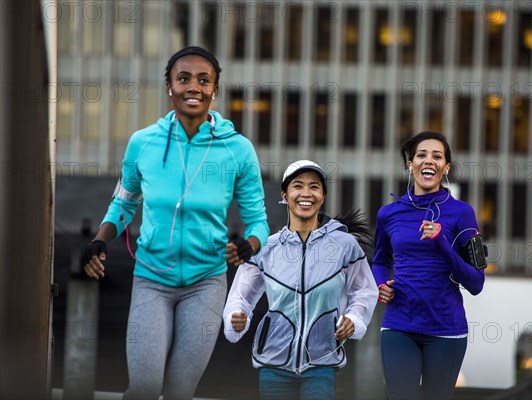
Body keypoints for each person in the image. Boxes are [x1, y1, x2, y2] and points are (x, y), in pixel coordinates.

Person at [81, 46, 269, 399]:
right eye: (183, 79)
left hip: (207, 283)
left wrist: (249, 245)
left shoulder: (238, 150)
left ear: (215, 89)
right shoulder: (144, 143)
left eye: (203, 80)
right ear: (169, 87)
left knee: (181, 392)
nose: (193, 87)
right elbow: (124, 203)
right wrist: (100, 241)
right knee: (145, 388)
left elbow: (258, 220)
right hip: (152, 279)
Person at [223, 160, 378, 400]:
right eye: (298, 186)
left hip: (322, 362)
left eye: (314, 187)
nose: (306, 193)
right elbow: (241, 296)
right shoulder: (266, 247)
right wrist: (236, 316)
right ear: (285, 195)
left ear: (323, 196)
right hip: (273, 362)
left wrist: (354, 318)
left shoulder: (345, 245)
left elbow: (365, 291)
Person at [372, 131, 485, 400]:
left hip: (446, 330)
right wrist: (380, 285)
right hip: (399, 326)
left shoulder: (462, 213)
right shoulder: (388, 213)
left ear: (446, 168)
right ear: (409, 164)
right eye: (421, 155)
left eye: (437, 156)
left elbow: (476, 283)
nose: (429, 161)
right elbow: (380, 260)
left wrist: (442, 243)